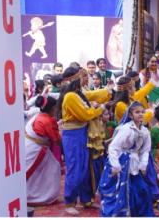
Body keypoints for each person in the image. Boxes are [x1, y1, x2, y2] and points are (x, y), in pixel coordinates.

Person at [58, 64, 111, 215]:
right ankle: (70, 201)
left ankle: (86, 199)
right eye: (83, 76)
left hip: (81, 132)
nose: (85, 79)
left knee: (84, 168)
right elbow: (85, 115)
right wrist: (100, 109)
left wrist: (108, 91)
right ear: (75, 79)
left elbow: (93, 95)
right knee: (75, 168)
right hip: (73, 135)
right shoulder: (70, 96)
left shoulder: (78, 94)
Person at [99, 101, 155, 217]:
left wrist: (143, 164)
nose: (140, 114)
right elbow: (113, 147)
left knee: (142, 189)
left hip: (134, 164)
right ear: (130, 115)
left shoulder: (145, 131)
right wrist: (116, 165)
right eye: (137, 112)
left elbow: (145, 150)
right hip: (122, 163)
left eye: (142, 112)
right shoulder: (126, 129)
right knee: (123, 191)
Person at [23, 94, 62, 206]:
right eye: (55, 107)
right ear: (52, 108)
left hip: (29, 145)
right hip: (36, 149)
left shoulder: (38, 114)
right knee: (52, 169)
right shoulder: (48, 120)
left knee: (34, 173)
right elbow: (56, 140)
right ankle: (39, 197)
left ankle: (36, 195)